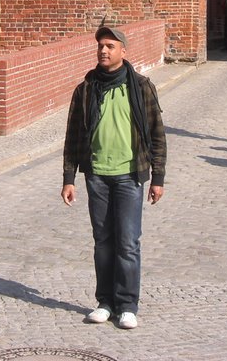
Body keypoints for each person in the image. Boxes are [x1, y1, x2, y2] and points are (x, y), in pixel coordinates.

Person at [62, 26, 167, 330]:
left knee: (128, 243)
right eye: (100, 46)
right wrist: (69, 177)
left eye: (110, 46)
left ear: (124, 50)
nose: (103, 51)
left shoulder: (141, 87)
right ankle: (105, 302)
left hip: (129, 176)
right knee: (103, 242)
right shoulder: (85, 90)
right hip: (96, 175)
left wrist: (157, 177)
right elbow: (73, 137)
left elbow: (158, 136)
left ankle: (127, 304)